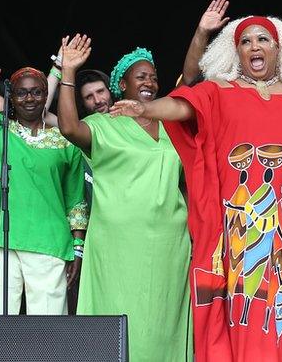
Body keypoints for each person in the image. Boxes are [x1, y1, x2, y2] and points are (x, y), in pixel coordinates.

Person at [112, 14, 282, 361]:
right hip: (235, 229)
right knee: (239, 313)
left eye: (262, 40)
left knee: (280, 315)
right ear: (237, 52)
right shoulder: (219, 91)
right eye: (245, 41)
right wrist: (146, 107)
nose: (254, 46)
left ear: (278, 48)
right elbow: (182, 105)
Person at [56, 38, 192, 361]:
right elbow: (68, 127)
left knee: (162, 331)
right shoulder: (104, 124)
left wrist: (200, 33)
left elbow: (188, 82)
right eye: (140, 76)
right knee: (118, 330)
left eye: (153, 76)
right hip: (117, 248)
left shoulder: (171, 125)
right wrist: (68, 72)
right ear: (122, 84)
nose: (150, 82)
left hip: (169, 248)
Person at [0, 23, 87, 316]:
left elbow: (76, 202)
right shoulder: (0, 133)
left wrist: (78, 248)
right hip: (0, 240)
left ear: (46, 97)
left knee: (47, 334)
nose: (29, 98)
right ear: (11, 99)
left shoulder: (65, 142)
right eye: (21, 93)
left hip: (51, 243)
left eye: (36, 93)